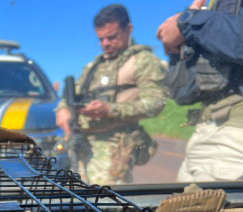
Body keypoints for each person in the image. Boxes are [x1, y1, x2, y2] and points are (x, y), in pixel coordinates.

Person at [55, 4, 168, 185]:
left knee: (104, 204)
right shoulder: (93, 66)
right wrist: (62, 110)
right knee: (77, 203)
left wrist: (109, 110)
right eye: (101, 39)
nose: (105, 44)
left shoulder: (143, 61)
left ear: (128, 30)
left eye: (112, 37)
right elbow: (69, 97)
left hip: (114, 147)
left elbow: (156, 103)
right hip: (80, 145)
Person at [157, 0, 243, 182]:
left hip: (234, 139)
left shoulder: (201, 17)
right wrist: (176, 48)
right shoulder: (212, 6)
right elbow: (183, 93)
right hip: (205, 135)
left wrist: (187, 21)